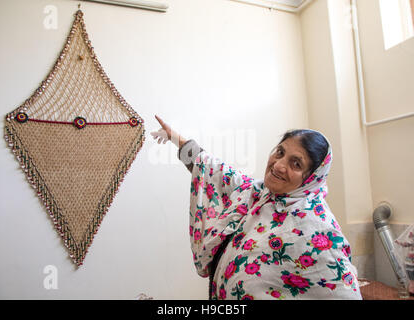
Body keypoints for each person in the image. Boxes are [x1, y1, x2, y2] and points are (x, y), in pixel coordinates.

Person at [151, 115, 362, 300]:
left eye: (295, 163)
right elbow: (213, 171)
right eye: (280, 152)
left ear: (312, 178)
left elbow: (345, 291)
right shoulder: (256, 193)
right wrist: (176, 138)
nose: (279, 165)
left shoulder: (317, 230)